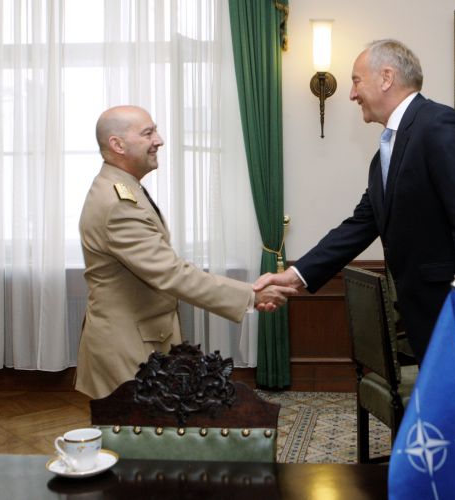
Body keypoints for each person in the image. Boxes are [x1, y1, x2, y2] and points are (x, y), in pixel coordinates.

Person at [255, 40, 455, 432]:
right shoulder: (388, 150)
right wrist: (294, 277)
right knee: (441, 437)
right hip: (430, 320)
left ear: (386, 78)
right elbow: (361, 224)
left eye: (355, 80)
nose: (351, 94)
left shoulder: (440, 127)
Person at [76, 105, 295, 399]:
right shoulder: (118, 203)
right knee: (138, 426)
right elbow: (171, 273)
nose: (159, 140)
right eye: (148, 133)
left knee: (150, 426)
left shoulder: (123, 189)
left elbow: (162, 263)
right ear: (118, 145)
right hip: (126, 345)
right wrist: (251, 295)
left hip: (140, 336)